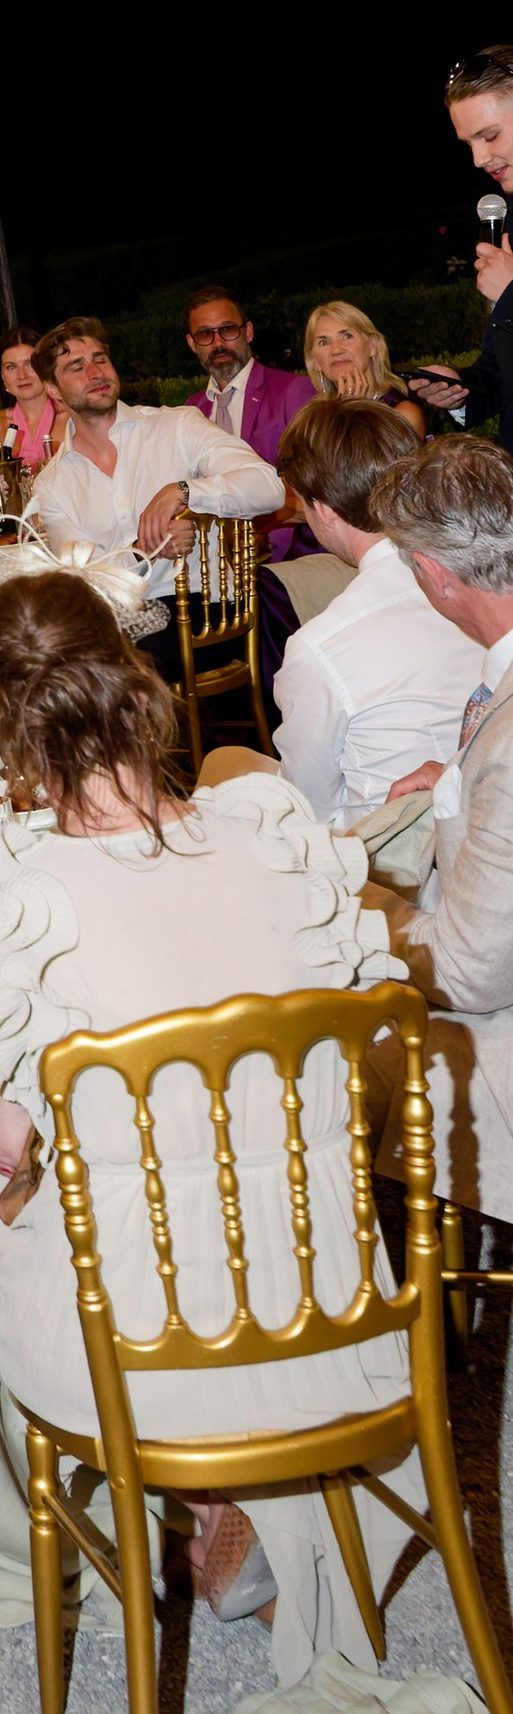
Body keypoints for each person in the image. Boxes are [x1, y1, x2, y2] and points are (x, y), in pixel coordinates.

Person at [0, 574, 411, 1661]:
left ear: (0, 723)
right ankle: (240, 1498)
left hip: (143, 1346)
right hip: (328, 1292)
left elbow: (9, 1141)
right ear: (132, 673)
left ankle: (201, 1489)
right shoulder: (274, 833)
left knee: (4, 1205)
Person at [361, 437, 513, 1228]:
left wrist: (352, 905)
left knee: (298, 1064)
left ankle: (388, 1311)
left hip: (500, 1054)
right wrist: (455, 783)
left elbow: (464, 971)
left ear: (435, 576)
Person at [266, 402, 481, 826]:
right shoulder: (482, 585)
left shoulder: (319, 648)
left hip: (387, 866)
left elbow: (307, 809)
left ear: (324, 509)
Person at [23, 316, 284, 608]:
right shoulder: (52, 484)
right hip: (118, 621)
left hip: (201, 611)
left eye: (100, 360)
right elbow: (85, 579)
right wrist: (143, 550)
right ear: (54, 390)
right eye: (77, 367)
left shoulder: (176, 425)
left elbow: (268, 486)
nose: (95, 373)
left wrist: (185, 492)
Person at [404, 45, 513, 431]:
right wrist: (463, 388)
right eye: (469, 144)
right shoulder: (506, 226)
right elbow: (501, 370)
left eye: (489, 135)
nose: (479, 159)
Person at [182, 284, 316, 554]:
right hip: (216, 563)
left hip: (285, 556)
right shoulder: (190, 410)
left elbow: (315, 486)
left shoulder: (292, 390)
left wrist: (257, 529)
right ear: (192, 343)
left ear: (249, 332)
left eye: (228, 330)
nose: (218, 343)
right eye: (206, 334)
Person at [301, 299, 427, 437]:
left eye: (346, 336)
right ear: (316, 361)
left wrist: (352, 413)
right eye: (323, 342)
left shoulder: (403, 414)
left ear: (372, 346)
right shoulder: (311, 421)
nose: (336, 350)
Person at [0, 331, 65, 477]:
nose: (22, 375)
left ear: (45, 367)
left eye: (29, 364)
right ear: (2, 376)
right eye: (11, 367)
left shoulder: (72, 419)